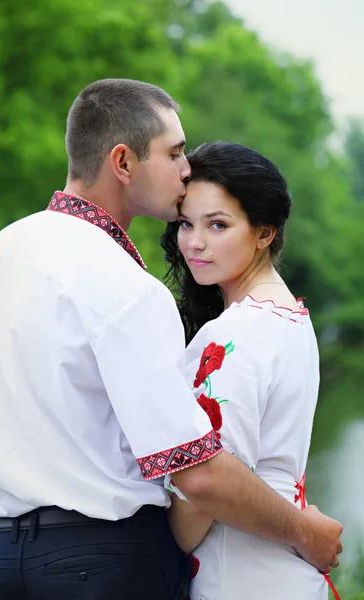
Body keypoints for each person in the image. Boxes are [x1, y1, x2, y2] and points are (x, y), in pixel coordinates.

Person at [0, 80, 342, 600]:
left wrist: (12, 509)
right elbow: (197, 473)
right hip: (106, 560)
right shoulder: (123, 284)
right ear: (123, 162)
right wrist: (306, 533)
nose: (186, 168)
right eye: (175, 152)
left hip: (10, 558)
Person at [161, 141, 340, 599]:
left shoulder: (236, 332)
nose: (194, 242)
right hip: (278, 566)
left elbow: (207, 481)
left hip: (239, 574)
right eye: (186, 223)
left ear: (264, 233)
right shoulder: (290, 317)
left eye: (217, 225)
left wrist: (166, 536)